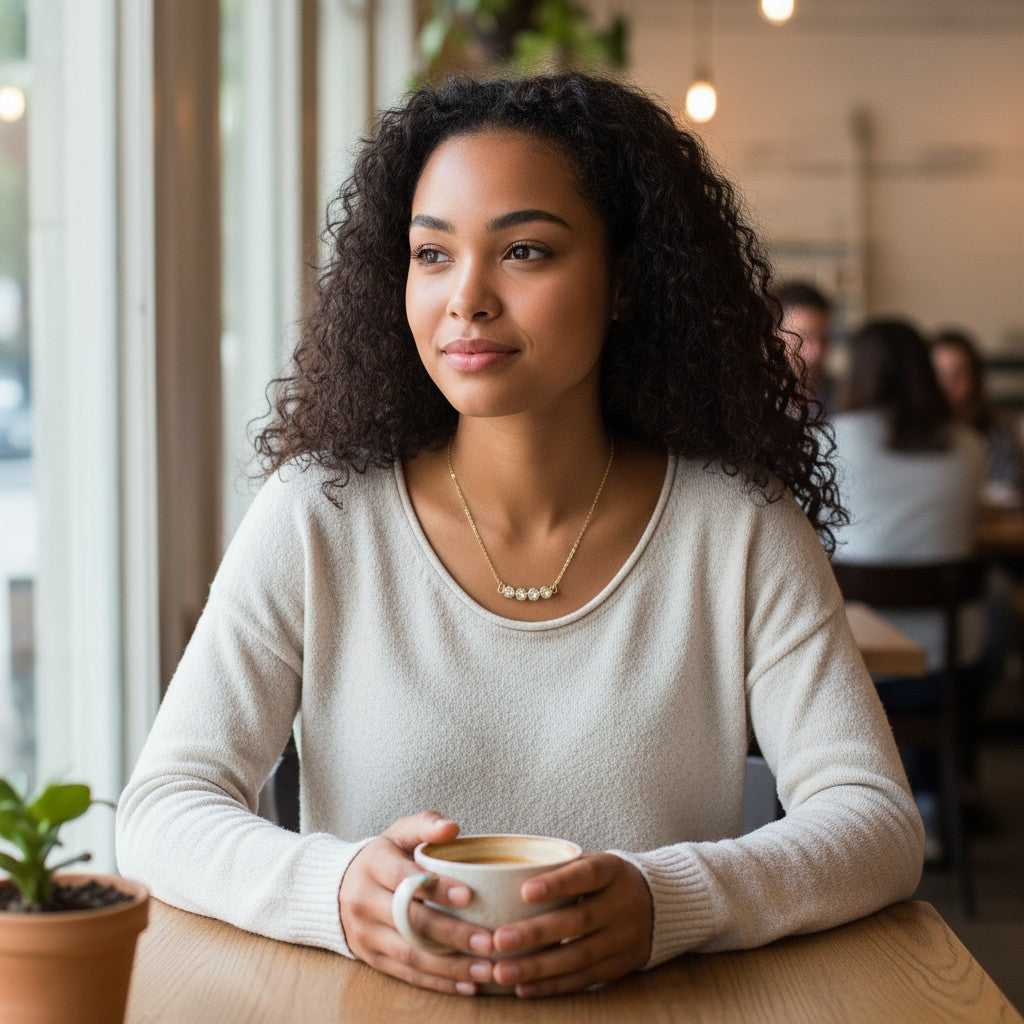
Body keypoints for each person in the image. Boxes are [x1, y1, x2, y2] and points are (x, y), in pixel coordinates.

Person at [116, 74, 923, 999]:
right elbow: (162, 809)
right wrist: (336, 892)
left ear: (626, 280)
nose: (467, 299)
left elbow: (875, 822)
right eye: (431, 254)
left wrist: (670, 902)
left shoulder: (739, 527)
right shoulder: (317, 515)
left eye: (526, 251)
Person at [830, 319, 985, 856]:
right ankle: (934, 797)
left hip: (855, 670)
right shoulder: (969, 446)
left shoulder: (828, 439)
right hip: (949, 668)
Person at [931, 328, 1024, 507]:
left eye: (958, 373)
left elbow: (1011, 488)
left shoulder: (997, 427)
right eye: (938, 374)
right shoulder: (914, 430)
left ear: (975, 378)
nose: (947, 384)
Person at [774, 279, 835, 412]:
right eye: (802, 339)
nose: (817, 352)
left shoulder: (847, 400)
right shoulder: (747, 404)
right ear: (773, 339)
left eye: (824, 338)